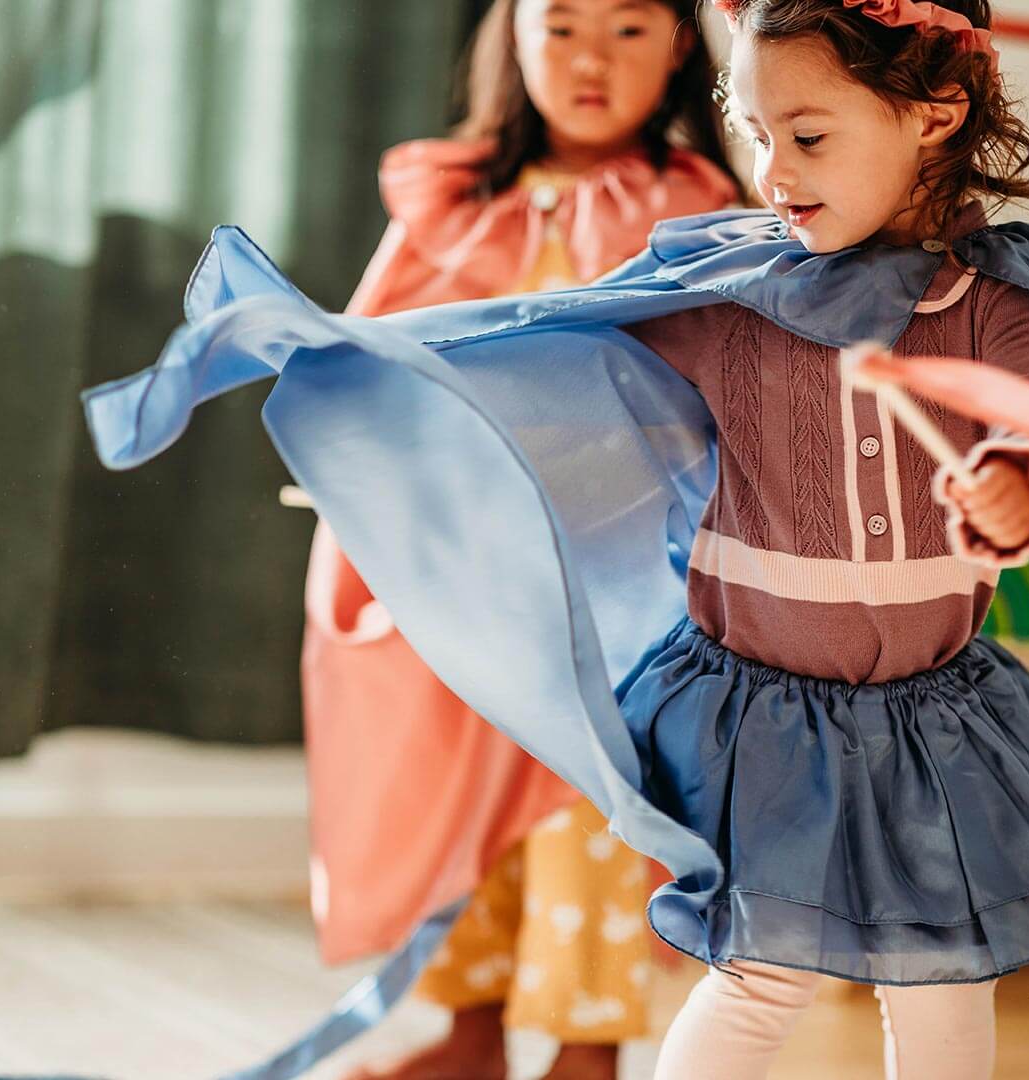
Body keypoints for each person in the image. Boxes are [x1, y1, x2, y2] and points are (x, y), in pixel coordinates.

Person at [82, 1, 1029, 1077]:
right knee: (760, 975)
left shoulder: (1002, 299)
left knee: (943, 979)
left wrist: (1019, 484)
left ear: (937, 114)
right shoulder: (732, 292)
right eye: (753, 134)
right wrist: (332, 351)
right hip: (772, 721)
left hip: (935, 718)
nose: (774, 173)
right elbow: (538, 344)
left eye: (810, 136)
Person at [302, 2, 739, 1077]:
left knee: (589, 796)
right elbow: (371, 355)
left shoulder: (697, 210)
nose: (592, 59)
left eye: (630, 29)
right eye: (563, 27)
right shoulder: (451, 203)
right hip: (460, 569)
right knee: (454, 789)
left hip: (610, 572)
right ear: (514, 37)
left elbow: (712, 384)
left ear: (682, 46)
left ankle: (587, 1045)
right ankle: (471, 1026)